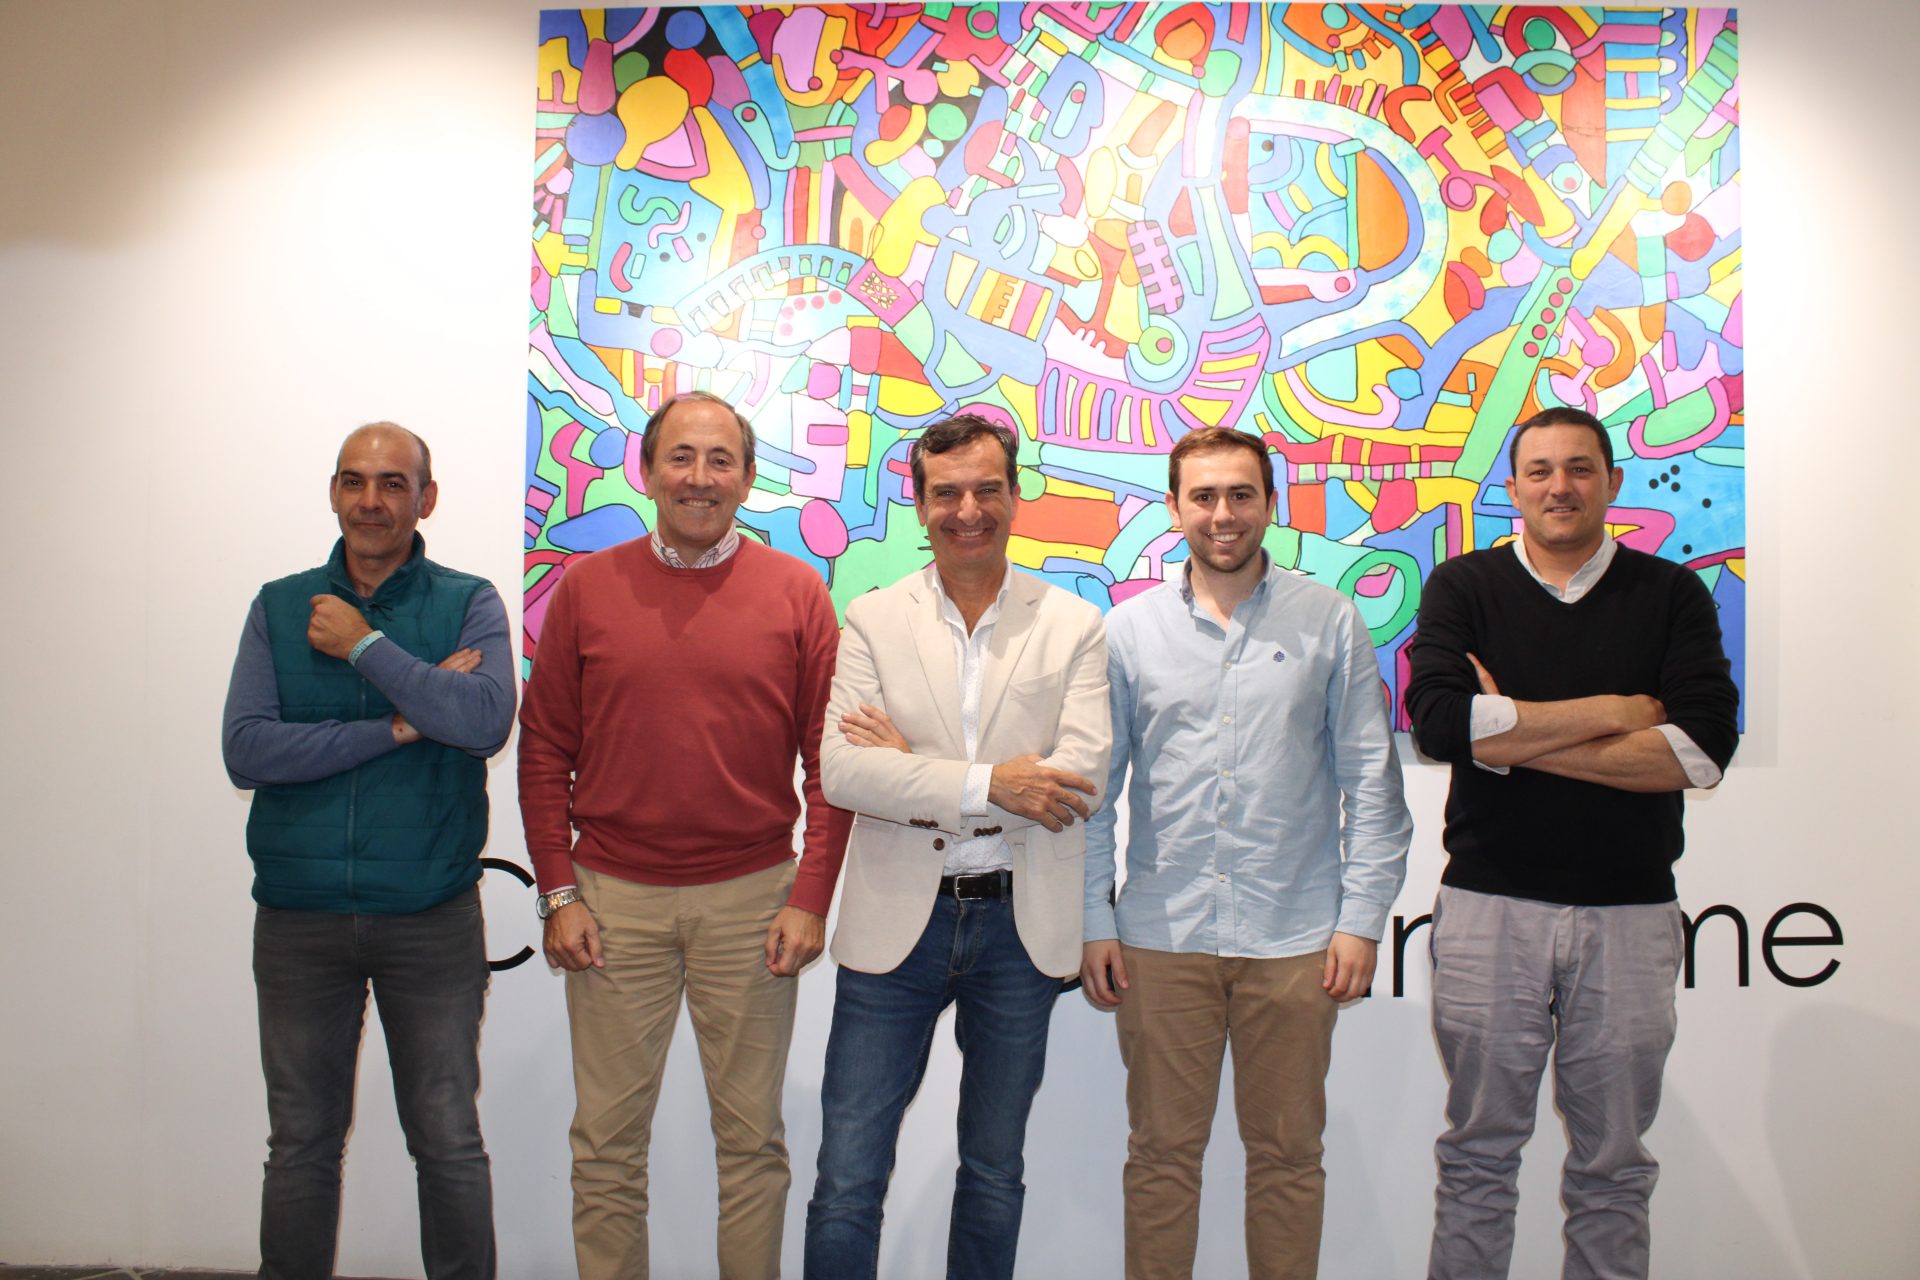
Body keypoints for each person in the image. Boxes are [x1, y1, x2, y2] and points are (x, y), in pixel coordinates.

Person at [518, 390, 851, 1280]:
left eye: (720, 460)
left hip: (753, 905)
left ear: (747, 477)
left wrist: (811, 898)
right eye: (681, 457)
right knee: (606, 1149)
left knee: (752, 1146)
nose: (700, 478)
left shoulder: (797, 592)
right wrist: (557, 892)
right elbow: (543, 750)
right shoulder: (587, 588)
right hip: (609, 904)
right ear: (647, 470)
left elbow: (829, 763)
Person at [1405, 406, 1739, 1280]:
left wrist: (1510, 738)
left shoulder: (1672, 595)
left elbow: (1701, 752)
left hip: (1629, 912)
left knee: (1614, 1167)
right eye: (1541, 471)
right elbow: (1440, 725)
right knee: (1478, 1155)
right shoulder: (1463, 586)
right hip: (1489, 907)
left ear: (1612, 482)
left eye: (1580, 469)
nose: (1561, 487)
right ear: (1513, 489)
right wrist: (1614, 712)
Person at [1080, 425, 1411, 1280]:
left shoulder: (1329, 620)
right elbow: (1094, 796)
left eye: (1240, 495)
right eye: (1203, 496)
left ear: (1269, 503)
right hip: (1161, 939)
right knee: (1160, 1160)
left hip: (1295, 941)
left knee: (1289, 1160)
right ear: (1174, 508)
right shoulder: (1129, 631)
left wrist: (1361, 922)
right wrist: (1095, 921)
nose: (1222, 514)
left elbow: (1373, 785)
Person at [803, 412, 1111, 1280]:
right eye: (947, 493)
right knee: (848, 1175)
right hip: (896, 928)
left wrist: (917, 772)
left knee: (994, 1170)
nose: (967, 510)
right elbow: (845, 774)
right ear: (920, 503)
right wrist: (991, 786)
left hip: (1019, 929)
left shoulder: (1074, 624)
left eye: (986, 490)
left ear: (1015, 496)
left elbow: (1077, 778)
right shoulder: (872, 618)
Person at [222, 423, 515, 1280]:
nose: (371, 501)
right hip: (298, 918)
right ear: (333, 493)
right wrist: (398, 725)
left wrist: (363, 645)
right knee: (301, 1142)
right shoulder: (280, 606)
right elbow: (247, 750)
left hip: (429, 915)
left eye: (393, 483)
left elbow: (483, 722)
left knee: (448, 1137)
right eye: (354, 481)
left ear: (427, 498)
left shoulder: (469, 601)